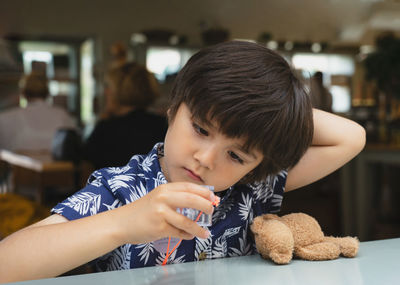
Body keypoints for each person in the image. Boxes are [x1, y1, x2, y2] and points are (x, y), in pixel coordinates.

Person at [0, 41, 365, 283]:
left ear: (257, 165)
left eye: (235, 154)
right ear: (173, 110)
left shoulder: (252, 185)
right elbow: (7, 263)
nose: (205, 159)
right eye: (201, 128)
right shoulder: (122, 188)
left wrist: (275, 112)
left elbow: (351, 137)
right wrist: (122, 224)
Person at [82, 62, 168, 169]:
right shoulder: (162, 124)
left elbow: (86, 163)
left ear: (119, 91)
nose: (105, 92)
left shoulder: (107, 129)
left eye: (108, 87)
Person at [0, 72, 75, 152]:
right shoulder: (63, 116)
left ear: (23, 93)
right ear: (48, 93)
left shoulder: (5, 118)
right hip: (60, 164)